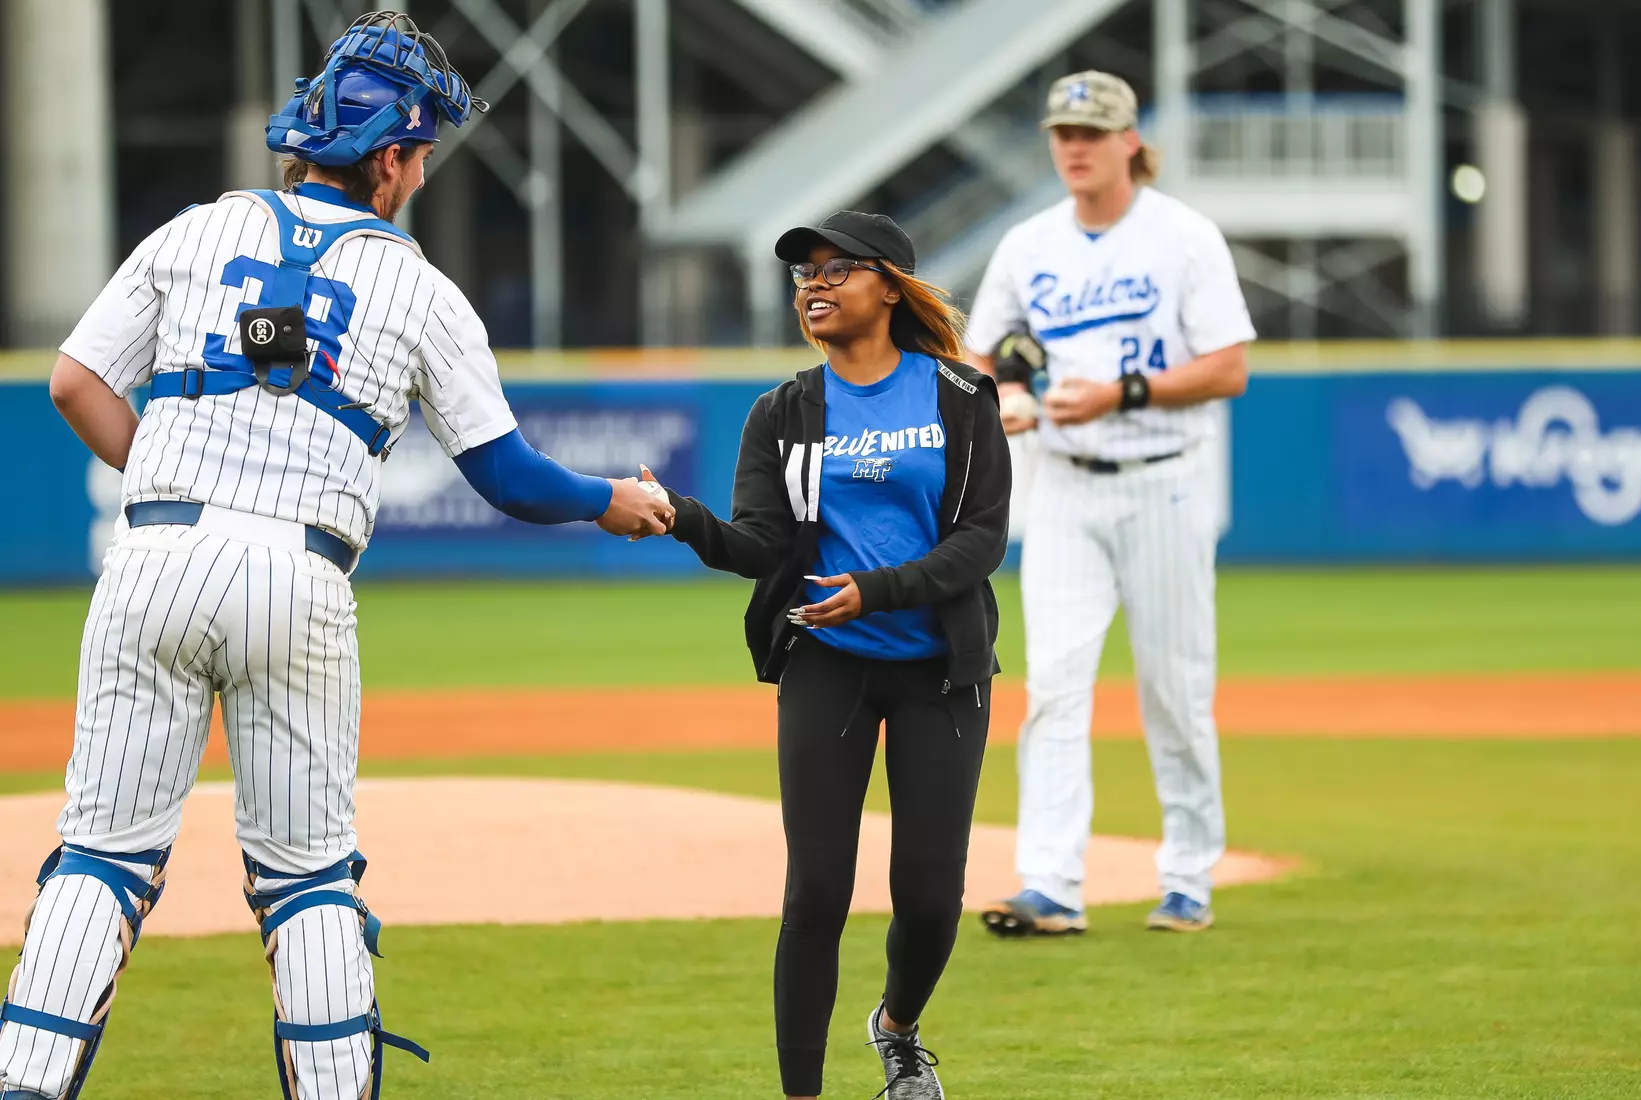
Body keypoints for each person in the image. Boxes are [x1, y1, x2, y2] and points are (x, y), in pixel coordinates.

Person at [0, 13, 671, 1100]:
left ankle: (23, 1083)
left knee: (102, 855)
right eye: (421, 152)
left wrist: (170, 477)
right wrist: (610, 501)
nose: (422, 171)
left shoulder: (194, 230)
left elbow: (74, 381)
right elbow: (508, 476)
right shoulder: (425, 290)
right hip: (298, 578)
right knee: (306, 876)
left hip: (154, 555)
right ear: (392, 159)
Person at [650, 211, 1011, 1099]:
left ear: (890, 286)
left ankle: (897, 1029)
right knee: (815, 892)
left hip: (940, 671)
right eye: (803, 273)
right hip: (828, 663)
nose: (814, 284)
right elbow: (763, 546)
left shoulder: (960, 397)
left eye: (837, 268)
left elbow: (981, 541)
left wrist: (877, 589)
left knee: (930, 899)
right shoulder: (782, 412)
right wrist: (682, 518)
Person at [965, 71, 1255, 937]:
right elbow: (982, 356)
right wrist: (1007, 394)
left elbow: (1228, 368)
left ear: (1131, 141)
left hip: (1164, 477)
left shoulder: (1184, 237)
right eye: (1063, 133)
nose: (1075, 147)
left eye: (1092, 132)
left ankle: (1189, 878)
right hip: (1062, 483)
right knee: (1054, 687)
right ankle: (1050, 883)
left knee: (1175, 690)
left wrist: (1120, 394)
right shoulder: (1027, 244)